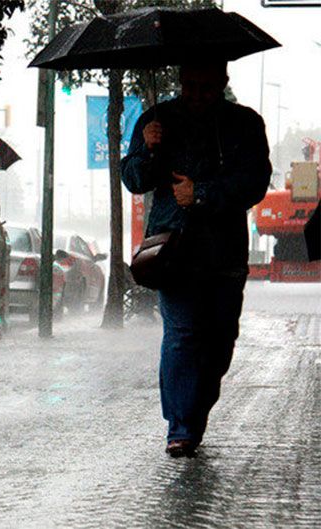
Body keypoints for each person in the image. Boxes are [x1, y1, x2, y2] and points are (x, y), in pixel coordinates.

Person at [121, 62, 271, 458]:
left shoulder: (244, 123)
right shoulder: (157, 120)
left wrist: (202, 193)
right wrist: (148, 150)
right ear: (180, 81)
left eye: (206, 85)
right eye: (190, 84)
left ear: (222, 82)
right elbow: (134, 178)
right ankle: (181, 427)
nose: (197, 92)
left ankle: (192, 414)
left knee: (219, 341)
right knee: (183, 335)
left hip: (224, 253)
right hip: (174, 251)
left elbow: (255, 180)